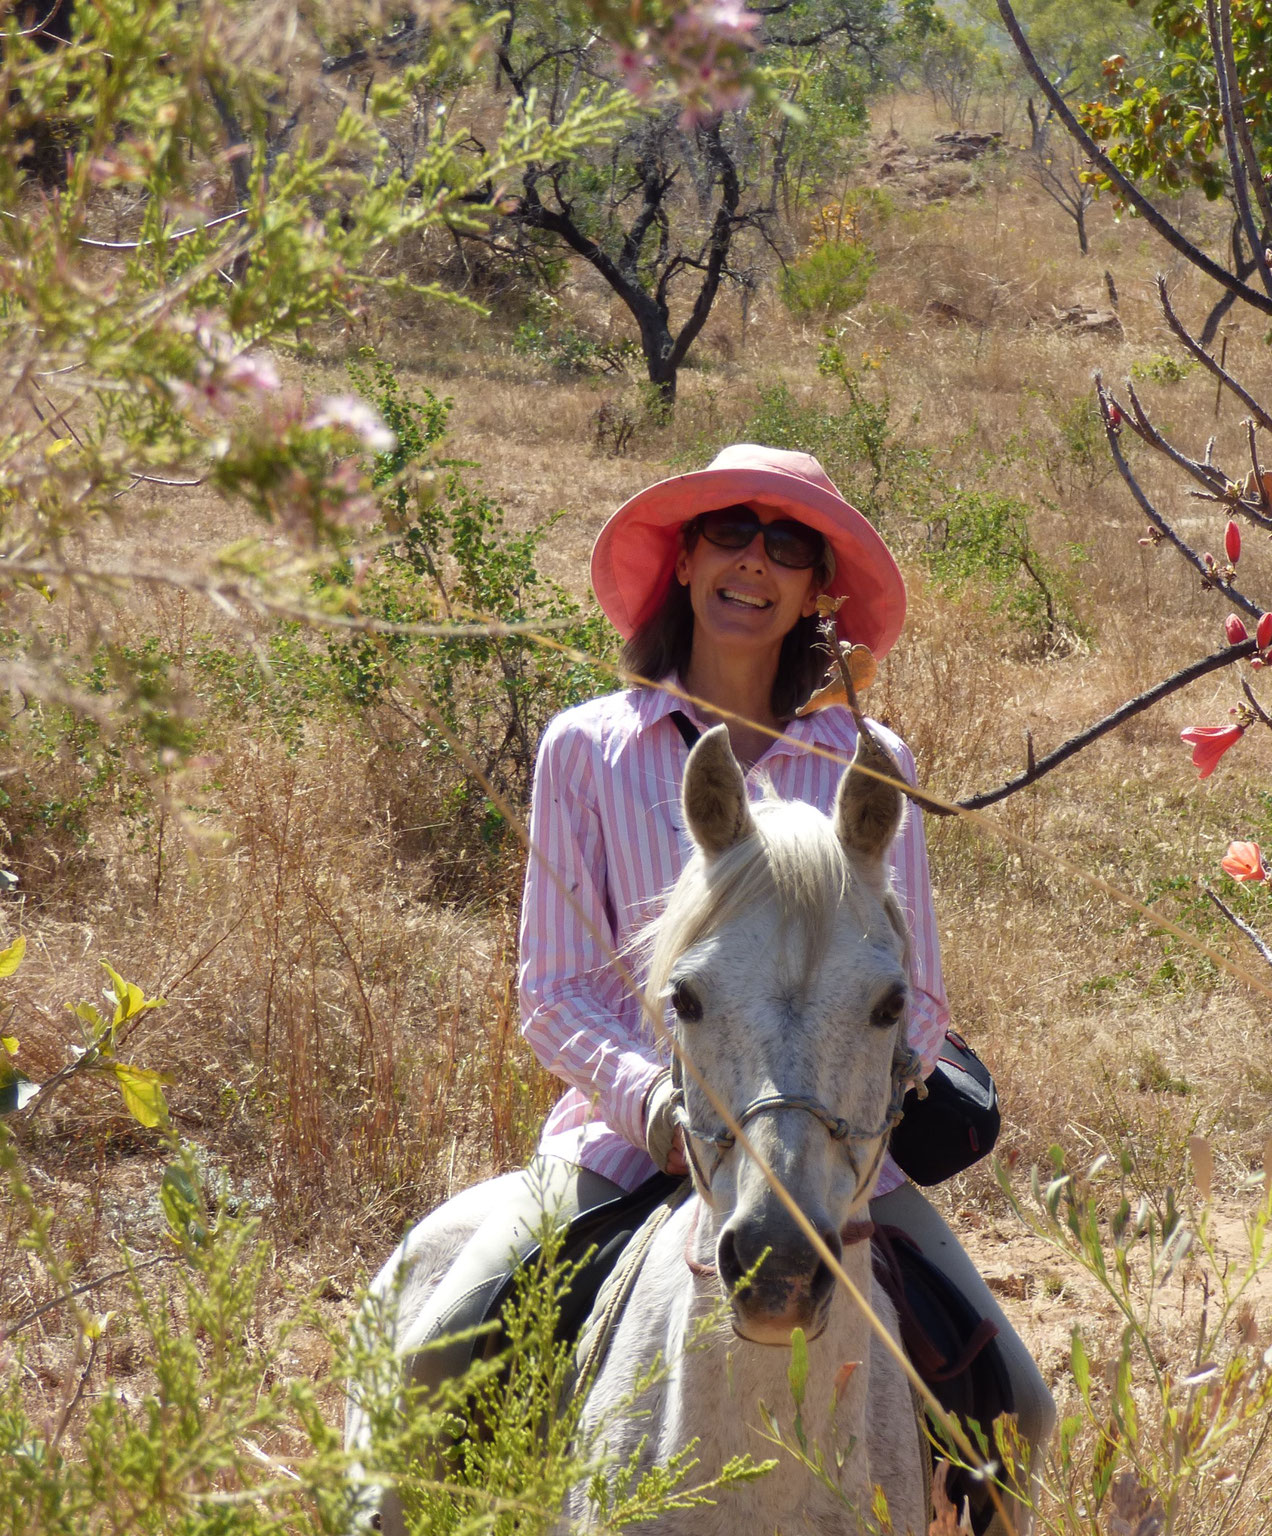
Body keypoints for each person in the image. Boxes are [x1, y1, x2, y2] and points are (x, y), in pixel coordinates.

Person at [401, 442, 1053, 1481]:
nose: (753, 562)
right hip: (621, 1148)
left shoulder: (871, 764)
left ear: (813, 594)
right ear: (685, 560)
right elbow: (556, 990)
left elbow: (915, 991)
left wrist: (841, 1116)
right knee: (434, 1367)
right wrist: (658, 1106)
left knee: (1016, 1409)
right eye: (729, 534)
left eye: (786, 545)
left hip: (835, 1157)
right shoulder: (585, 748)